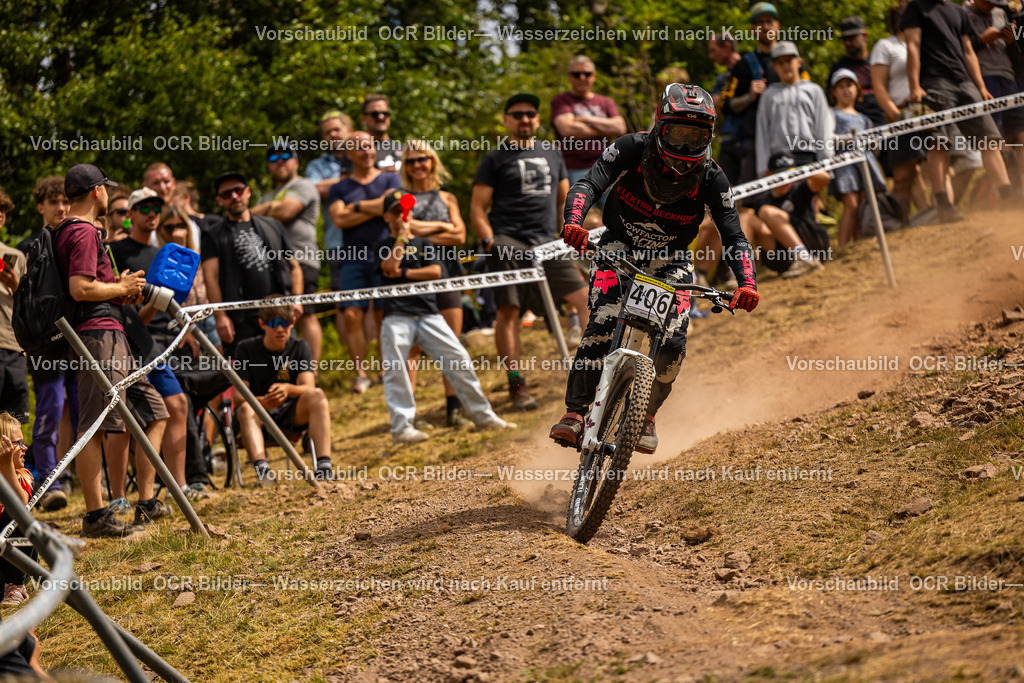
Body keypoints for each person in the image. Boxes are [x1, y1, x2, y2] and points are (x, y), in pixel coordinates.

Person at [549, 84, 759, 453]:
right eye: (678, 132)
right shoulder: (631, 147)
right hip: (618, 245)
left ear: (709, 136)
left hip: (672, 258)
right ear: (660, 126)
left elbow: (734, 235)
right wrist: (574, 220)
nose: (685, 145)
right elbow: (589, 182)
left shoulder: (712, 176)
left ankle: (645, 415)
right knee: (603, 319)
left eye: (696, 135)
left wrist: (747, 282)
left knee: (674, 342)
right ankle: (576, 413)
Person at [55, 164, 170, 537]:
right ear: (96, 193)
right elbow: (80, 289)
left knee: (154, 411)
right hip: (97, 336)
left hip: (112, 334)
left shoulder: (77, 231)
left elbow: (92, 286)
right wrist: (120, 288)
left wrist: (121, 289)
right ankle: (96, 516)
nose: (107, 194)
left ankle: (148, 504)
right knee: (94, 424)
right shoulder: (83, 231)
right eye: (105, 189)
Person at [470, 93, 590, 411]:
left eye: (530, 114)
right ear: (507, 120)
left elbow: (564, 199)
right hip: (508, 241)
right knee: (509, 312)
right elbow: (478, 208)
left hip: (547, 241)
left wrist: (569, 228)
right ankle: (517, 385)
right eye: (517, 114)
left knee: (585, 298)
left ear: (537, 119)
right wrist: (488, 242)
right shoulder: (494, 159)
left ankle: (594, 372)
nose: (525, 119)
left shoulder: (552, 153)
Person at [375, 191, 515, 444]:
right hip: (396, 315)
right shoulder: (381, 244)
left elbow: (436, 271)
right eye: (396, 212)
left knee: (459, 358)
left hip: (429, 314)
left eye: (403, 211)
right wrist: (402, 241)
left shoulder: (425, 243)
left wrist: (403, 274)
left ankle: (483, 416)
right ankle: (401, 428)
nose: (401, 216)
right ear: (386, 216)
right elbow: (388, 267)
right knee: (396, 370)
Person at [108, 188, 195, 505]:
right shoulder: (113, 251)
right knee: (121, 423)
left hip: (151, 343)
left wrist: (164, 310)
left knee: (177, 405)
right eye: (144, 206)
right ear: (129, 213)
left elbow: (147, 314)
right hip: (117, 342)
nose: (152, 212)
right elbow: (117, 308)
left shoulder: (164, 252)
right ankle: (118, 497)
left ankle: (179, 486)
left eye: (157, 206)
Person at [903, 0, 1015, 222]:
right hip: (934, 81)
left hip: (964, 82)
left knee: (989, 139)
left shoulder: (957, 11)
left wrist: (981, 86)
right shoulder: (916, 8)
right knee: (938, 142)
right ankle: (943, 204)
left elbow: (968, 50)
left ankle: (1008, 195)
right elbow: (913, 45)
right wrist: (915, 86)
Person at [399, 141, 472, 427]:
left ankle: (453, 409)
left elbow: (461, 236)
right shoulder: (401, 198)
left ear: (432, 161)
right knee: (413, 345)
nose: (417, 165)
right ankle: (409, 415)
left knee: (451, 343)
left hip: (448, 272)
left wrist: (423, 232)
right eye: (411, 161)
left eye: (422, 159)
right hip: (415, 271)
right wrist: (443, 228)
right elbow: (405, 230)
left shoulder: (448, 198)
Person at [16, 176, 77, 513]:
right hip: (44, 346)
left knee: (83, 412)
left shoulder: (75, 238)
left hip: (77, 341)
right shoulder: (27, 247)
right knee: (50, 410)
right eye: (54, 202)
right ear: (41, 206)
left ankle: (73, 476)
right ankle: (47, 483)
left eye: (65, 201)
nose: (61, 208)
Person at [327, 131, 402, 393]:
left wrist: (356, 207)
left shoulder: (391, 177)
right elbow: (339, 220)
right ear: (349, 153)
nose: (366, 152)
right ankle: (361, 373)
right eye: (359, 147)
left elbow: (394, 207)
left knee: (383, 313)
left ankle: (384, 369)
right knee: (351, 314)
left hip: (385, 254)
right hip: (352, 257)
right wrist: (377, 207)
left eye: (369, 146)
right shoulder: (339, 187)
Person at [201, 171, 303, 356]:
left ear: (247, 192)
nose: (234, 196)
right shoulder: (213, 234)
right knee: (246, 375)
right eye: (226, 194)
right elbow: (211, 276)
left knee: (288, 369)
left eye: (238, 190)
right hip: (240, 318)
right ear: (219, 201)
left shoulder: (272, 225)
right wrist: (220, 316)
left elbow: (293, 266)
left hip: (279, 312)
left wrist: (296, 298)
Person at [233, 298, 332, 481]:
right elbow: (238, 398)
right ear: (262, 323)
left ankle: (324, 467)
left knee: (318, 395)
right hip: (257, 417)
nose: (280, 329)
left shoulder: (300, 346)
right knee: (247, 408)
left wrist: (288, 389)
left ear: (293, 322)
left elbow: (309, 387)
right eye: (274, 323)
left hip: (290, 414)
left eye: (285, 323)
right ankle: (264, 473)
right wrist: (263, 402)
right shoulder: (245, 349)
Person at [719, 2, 810, 184]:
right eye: (760, 23)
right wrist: (748, 97)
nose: (765, 27)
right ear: (753, 29)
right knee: (754, 200)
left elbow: (809, 93)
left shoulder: (794, 61)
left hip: (793, 142)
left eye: (769, 21)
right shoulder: (743, 66)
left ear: (778, 25)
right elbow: (724, 104)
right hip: (754, 145)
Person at [252, 140, 323, 364]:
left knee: (305, 314)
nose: (279, 161)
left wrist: (264, 210)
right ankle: (288, 370)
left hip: (302, 260)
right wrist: (268, 208)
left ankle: (312, 370)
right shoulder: (268, 196)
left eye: (285, 156)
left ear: (296, 161)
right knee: (279, 318)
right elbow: (250, 220)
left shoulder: (304, 185)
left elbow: (285, 211)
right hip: (274, 266)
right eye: (273, 158)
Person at [870, 3, 933, 217]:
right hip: (900, 114)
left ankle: (929, 214)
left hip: (926, 113)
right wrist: (897, 117)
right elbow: (878, 87)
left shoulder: (924, 44)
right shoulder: (885, 46)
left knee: (921, 170)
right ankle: (899, 221)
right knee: (903, 175)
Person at [550, 55, 627, 221]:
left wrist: (585, 120)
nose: (582, 78)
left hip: (607, 167)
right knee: (578, 220)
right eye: (577, 74)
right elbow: (567, 128)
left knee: (618, 218)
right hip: (573, 169)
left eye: (587, 73)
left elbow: (620, 127)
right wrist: (604, 128)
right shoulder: (562, 100)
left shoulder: (605, 101)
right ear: (569, 77)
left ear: (594, 76)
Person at [755, 42, 835, 178]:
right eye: (780, 63)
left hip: (808, 155)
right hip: (779, 159)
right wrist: (763, 170)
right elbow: (762, 133)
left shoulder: (814, 91)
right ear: (774, 67)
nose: (785, 66)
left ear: (798, 62)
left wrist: (826, 162)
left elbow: (824, 127)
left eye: (788, 60)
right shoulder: (769, 95)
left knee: (809, 198)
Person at [968, 0, 1024, 191]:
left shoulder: (1001, 13)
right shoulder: (963, 14)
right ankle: (1006, 191)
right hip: (984, 77)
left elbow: (1014, 51)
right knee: (996, 137)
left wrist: (1010, 39)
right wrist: (982, 39)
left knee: (1021, 131)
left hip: (1008, 76)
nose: (991, 6)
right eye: (988, 2)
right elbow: (962, 51)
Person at [749, 152, 831, 278]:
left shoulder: (800, 189)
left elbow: (825, 179)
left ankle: (804, 258)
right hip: (781, 256)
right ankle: (741, 272)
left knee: (767, 212)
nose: (785, 181)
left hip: (813, 244)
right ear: (769, 175)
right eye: (779, 176)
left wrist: (801, 173)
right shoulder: (762, 201)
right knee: (747, 217)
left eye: (788, 175)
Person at [831, 69, 888, 245]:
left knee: (864, 204)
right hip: (844, 163)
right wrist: (852, 139)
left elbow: (874, 145)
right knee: (851, 205)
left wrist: (871, 143)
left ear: (857, 89)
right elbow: (827, 138)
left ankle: (860, 242)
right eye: (841, 87)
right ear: (834, 92)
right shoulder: (831, 114)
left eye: (849, 85)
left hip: (865, 163)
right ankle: (842, 245)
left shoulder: (864, 118)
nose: (846, 90)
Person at [0, 189, 28, 427]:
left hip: (13, 346)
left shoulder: (15, 256)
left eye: (2, 210)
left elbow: (30, 307)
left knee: (14, 423)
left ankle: (13, 467)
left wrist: (16, 286)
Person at [828, 16, 888, 126]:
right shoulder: (838, 68)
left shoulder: (878, 62)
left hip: (882, 123)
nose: (848, 43)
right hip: (851, 125)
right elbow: (831, 100)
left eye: (852, 38)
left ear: (864, 36)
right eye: (845, 39)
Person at [708, 32, 744, 185]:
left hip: (749, 141)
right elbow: (714, 106)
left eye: (713, 50)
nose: (711, 56)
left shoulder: (751, 70)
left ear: (727, 47)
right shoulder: (722, 78)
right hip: (728, 140)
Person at [142, 163, 203, 248]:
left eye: (166, 181)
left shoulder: (189, 224)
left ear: (173, 183)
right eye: (156, 183)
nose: (162, 188)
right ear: (145, 186)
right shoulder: (139, 223)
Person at [361, 94, 403, 172]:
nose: (381, 117)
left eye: (385, 113)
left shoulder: (404, 149)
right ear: (364, 119)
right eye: (375, 114)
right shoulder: (358, 151)